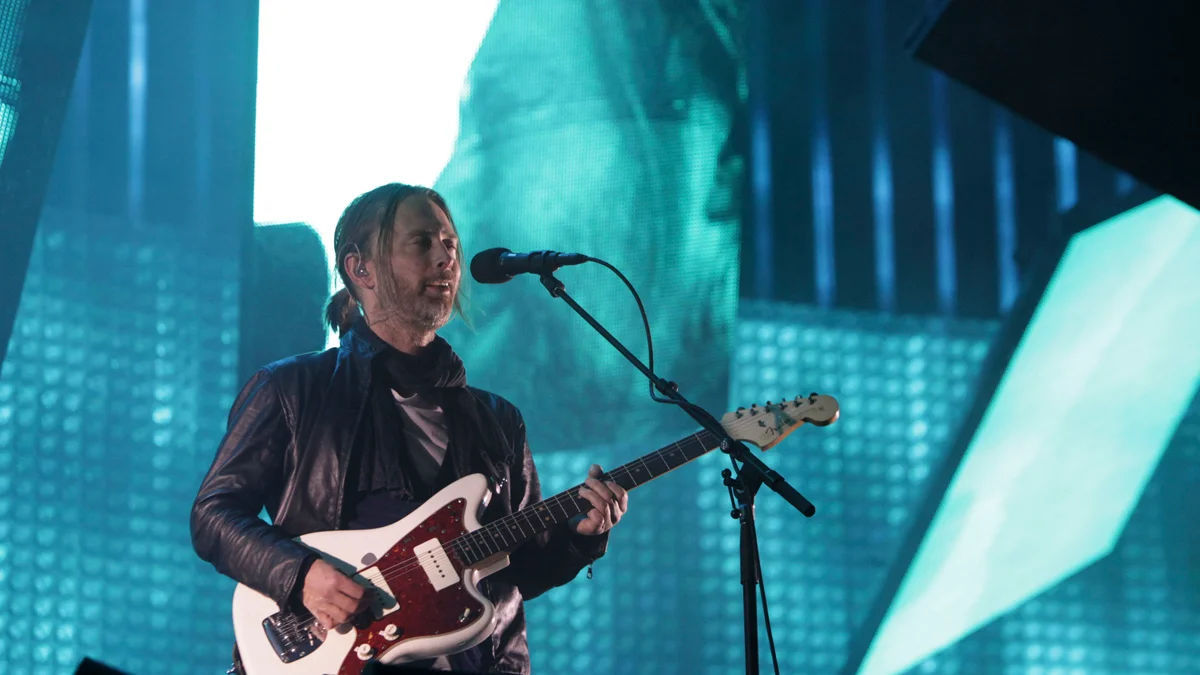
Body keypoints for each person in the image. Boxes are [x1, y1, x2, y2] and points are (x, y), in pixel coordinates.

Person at [191, 183, 629, 674]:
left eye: (451, 245)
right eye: (422, 242)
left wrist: (580, 536)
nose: (446, 258)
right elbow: (213, 516)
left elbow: (520, 569)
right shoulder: (292, 389)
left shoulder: (497, 420)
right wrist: (301, 576)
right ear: (361, 269)